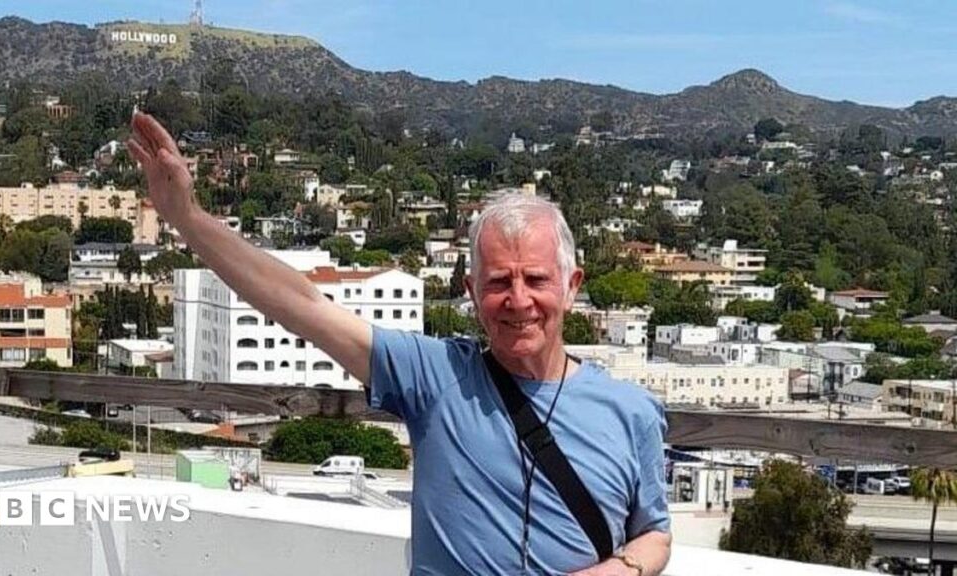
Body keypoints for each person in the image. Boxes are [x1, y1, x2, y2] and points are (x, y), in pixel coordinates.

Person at [128, 112, 671, 576]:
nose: (518, 300)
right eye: (499, 282)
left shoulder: (631, 413)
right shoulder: (436, 378)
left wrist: (621, 568)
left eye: (536, 279)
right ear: (472, 293)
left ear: (572, 288)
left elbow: (655, 533)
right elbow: (303, 305)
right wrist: (187, 218)